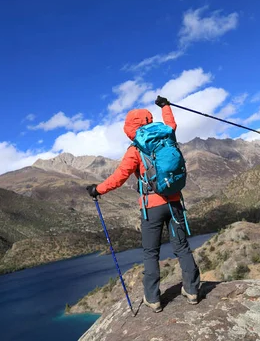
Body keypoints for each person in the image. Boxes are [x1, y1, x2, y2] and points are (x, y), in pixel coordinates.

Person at [85, 96, 201, 313]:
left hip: (151, 208)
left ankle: (153, 299)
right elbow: (171, 123)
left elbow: (119, 177)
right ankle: (193, 291)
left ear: (130, 128)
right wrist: (166, 106)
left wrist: (98, 189)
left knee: (151, 253)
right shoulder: (167, 136)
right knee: (182, 248)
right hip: (174, 202)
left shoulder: (135, 150)